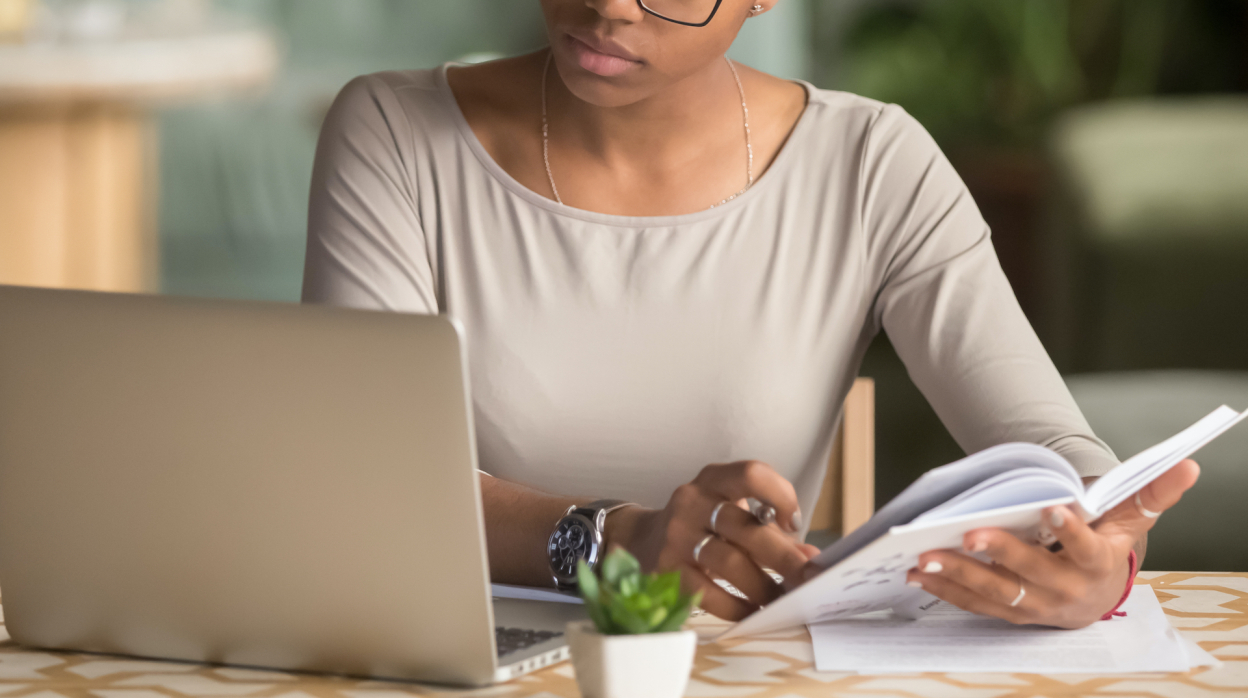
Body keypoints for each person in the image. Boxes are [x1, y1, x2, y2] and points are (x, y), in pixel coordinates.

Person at [301, 0, 1199, 628]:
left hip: (743, 663)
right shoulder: (394, 133)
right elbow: (360, 477)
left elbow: (1049, 445)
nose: (608, 5)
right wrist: (614, 541)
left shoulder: (870, 163)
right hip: (466, 656)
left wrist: (1103, 560)